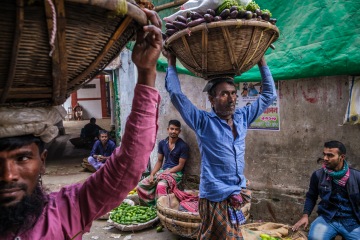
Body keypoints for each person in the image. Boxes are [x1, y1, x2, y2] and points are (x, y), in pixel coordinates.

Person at [0, 8, 162, 239]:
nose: (8, 176)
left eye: (22, 158)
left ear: (43, 161)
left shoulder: (65, 210)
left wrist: (147, 72)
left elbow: (128, 165)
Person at [163, 50, 277, 239]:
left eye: (233, 93)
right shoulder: (203, 122)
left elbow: (268, 95)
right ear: (211, 99)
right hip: (215, 196)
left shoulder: (242, 117)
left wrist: (261, 61)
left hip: (236, 191)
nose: (232, 99)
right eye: (224, 94)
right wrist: (171, 62)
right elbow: (176, 94)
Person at [292, 141, 360, 240]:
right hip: (327, 218)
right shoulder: (318, 175)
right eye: (324, 154)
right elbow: (311, 196)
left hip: (351, 221)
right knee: (315, 238)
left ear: (342, 157)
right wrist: (305, 215)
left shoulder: (357, 177)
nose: (325, 158)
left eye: (330, 155)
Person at [137, 119, 190, 206]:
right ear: (167, 129)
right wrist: (152, 174)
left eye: (176, 129)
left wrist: (166, 173)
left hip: (176, 173)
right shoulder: (162, 143)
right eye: (172, 129)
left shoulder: (183, 146)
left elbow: (180, 166)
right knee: (141, 185)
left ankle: (162, 209)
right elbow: (159, 161)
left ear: (179, 131)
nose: (174, 131)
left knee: (161, 186)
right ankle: (149, 206)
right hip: (163, 171)